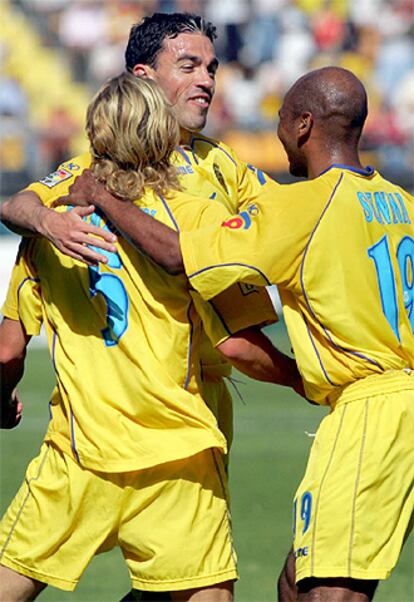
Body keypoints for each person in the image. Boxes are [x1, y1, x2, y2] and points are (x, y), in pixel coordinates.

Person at [64, 66, 414, 602]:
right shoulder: (402, 204)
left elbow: (180, 255)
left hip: (373, 411)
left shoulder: (303, 206)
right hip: (398, 401)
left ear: (302, 125)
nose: (275, 132)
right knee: (295, 584)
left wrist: (105, 199)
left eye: (277, 120)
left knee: (328, 593)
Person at [0, 73, 303, 602]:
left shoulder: (50, 229)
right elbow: (237, 344)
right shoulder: (196, 219)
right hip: (178, 454)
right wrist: (308, 380)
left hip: (79, 452)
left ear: (95, 135)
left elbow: (8, 349)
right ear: (165, 136)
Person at [0, 10, 279, 466]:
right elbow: (16, 206)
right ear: (143, 77)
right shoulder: (98, 170)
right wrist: (52, 223)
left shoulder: (221, 163)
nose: (206, 80)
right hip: (124, 402)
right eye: (187, 66)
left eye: (211, 68)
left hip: (201, 395)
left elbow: (287, 216)